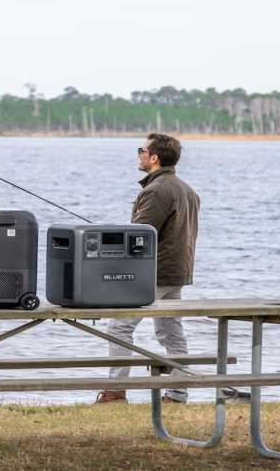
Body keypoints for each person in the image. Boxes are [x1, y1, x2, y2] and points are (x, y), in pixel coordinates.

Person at [97, 133, 200, 404]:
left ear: (154, 157)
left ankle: (116, 392)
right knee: (171, 331)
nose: (138, 154)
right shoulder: (186, 189)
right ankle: (178, 393)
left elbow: (139, 236)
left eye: (141, 150)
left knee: (119, 328)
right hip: (177, 273)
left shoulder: (156, 190)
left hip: (154, 273)